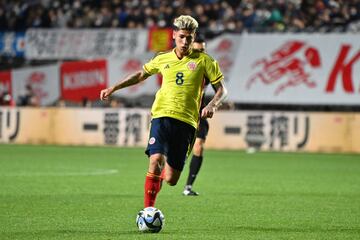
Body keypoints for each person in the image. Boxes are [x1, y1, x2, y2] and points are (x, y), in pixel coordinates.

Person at [100, 15, 227, 208]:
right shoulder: (162, 58)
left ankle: (160, 182)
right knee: (155, 160)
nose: (185, 42)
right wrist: (114, 88)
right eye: (182, 36)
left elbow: (222, 90)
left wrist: (212, 105)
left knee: (170, 178)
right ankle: (148, 211)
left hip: (187, 123)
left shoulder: (204, 61)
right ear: (174, 35)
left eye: (189, 38)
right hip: (161, 116)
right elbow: (140, 75)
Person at [182, 37, 210, 196]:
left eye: (203, 50)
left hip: (199, 114)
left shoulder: (207, 66)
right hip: (182, 114)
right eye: (198, 50)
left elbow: (220, 88)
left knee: (199, 146)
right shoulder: (182, 65)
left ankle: (188, 187)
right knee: (179, 151)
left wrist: (213, 104)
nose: (201, 53)